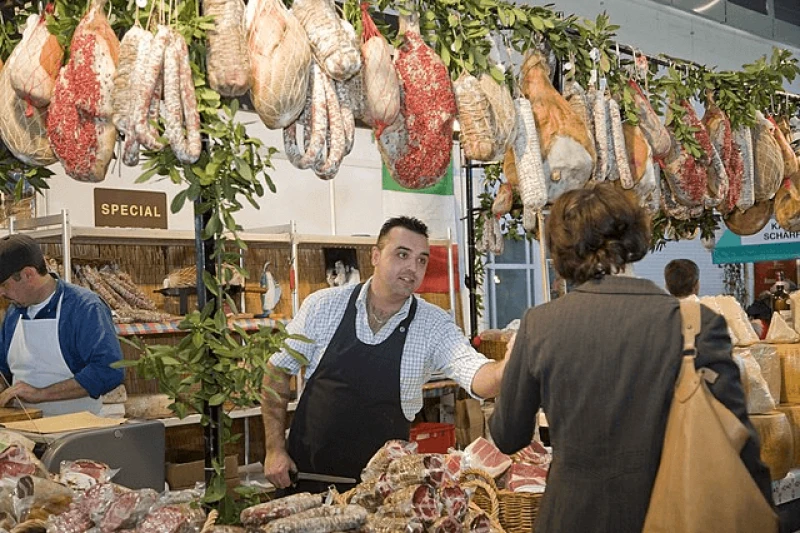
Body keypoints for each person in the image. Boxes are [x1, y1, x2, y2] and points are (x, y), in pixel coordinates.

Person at [489, 184, 772, 533]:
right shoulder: (696, 325)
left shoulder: (540, 325)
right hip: (672, 513)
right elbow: (738, 440)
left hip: (570, 517)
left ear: (561, 249)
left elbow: (508, 436)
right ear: (636, 236)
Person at [262, 216, 507, 492]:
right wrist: (274, 449)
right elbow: (277, 372)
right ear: (375, 256)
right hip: (306, 483)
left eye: (422, 260)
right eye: (402, 254)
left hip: (385, 495)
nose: (412, 268)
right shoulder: (323, 306)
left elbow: (475, 374)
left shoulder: (433, 324)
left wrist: (509, 366)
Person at [0, 234, 124, 416]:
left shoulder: (84, 307)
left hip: (77, 432)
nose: (1, 293)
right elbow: (3, 368)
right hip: (26, 428)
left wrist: (40, 394)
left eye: (4, 285)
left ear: (28, 274)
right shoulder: (14, 312)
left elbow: (108, 370)